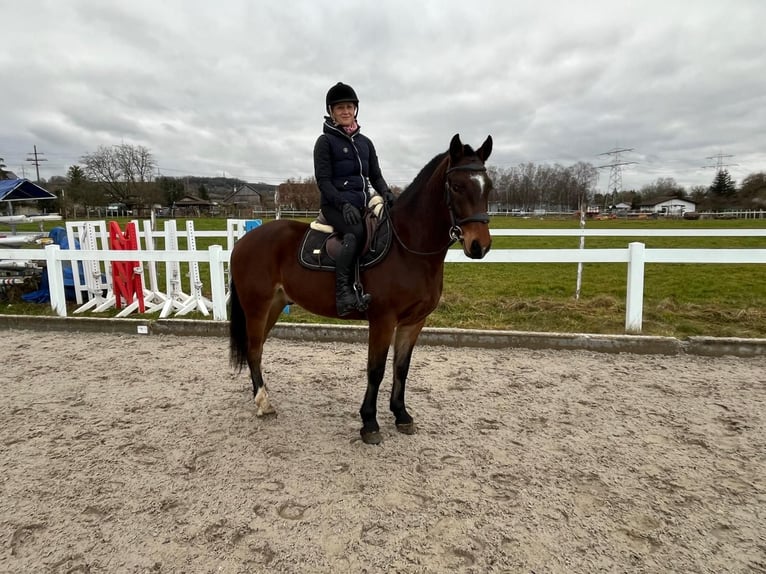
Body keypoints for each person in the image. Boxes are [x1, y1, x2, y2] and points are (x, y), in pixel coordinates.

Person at [314, 82, 395, 316]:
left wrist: (386, 193)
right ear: (331, 112)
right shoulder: (325, 142)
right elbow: (324, 181)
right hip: (334, 205)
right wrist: (343, 203)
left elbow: (375, 176)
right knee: (356, 232)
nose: (346, 111)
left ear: (355, 110)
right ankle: (344, 294)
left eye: (349, 107)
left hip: (361, 203)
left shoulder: (365, 143)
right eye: (340, 108)